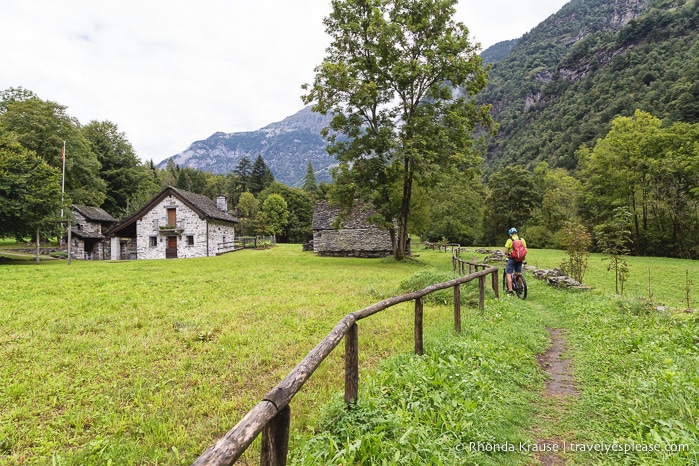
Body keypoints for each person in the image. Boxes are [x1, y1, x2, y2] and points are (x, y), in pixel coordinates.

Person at [504, 227, 527, 294]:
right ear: (516, 233)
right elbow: (526, 250)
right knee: (519, 273)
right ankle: (520, 288)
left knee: (508, 273)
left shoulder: (509, 240)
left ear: (510, 234)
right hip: (520, 259)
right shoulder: (522, 240)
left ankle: (510, 290)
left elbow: (506, 251)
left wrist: (508, 254)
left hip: (512, 258)